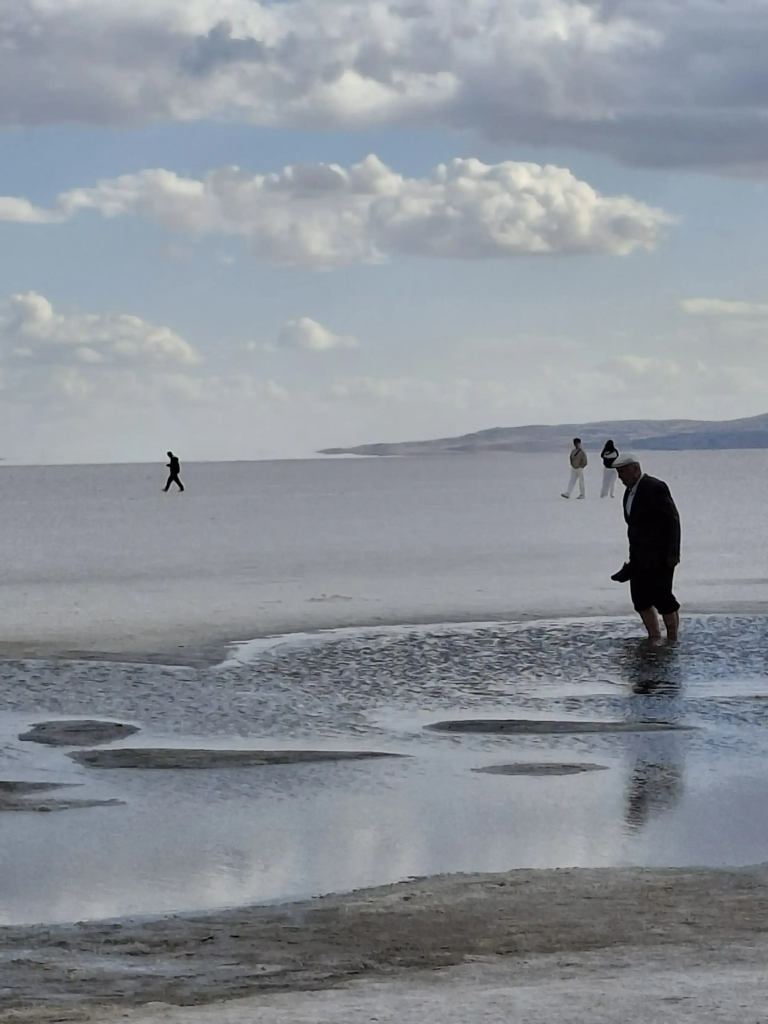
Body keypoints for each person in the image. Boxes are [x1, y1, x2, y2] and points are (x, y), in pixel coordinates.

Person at [611, 454, 680, 642]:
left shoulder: (655, 487)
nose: (620, 476)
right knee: (640, 600)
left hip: (661, 556)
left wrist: (673, 553)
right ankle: (654, 637)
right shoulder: (629, 493)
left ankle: (672, 639)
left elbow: (672, 521)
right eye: (618, 472)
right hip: (639, 557)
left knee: (663, 598)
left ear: (636, 468)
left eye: (623, 471)